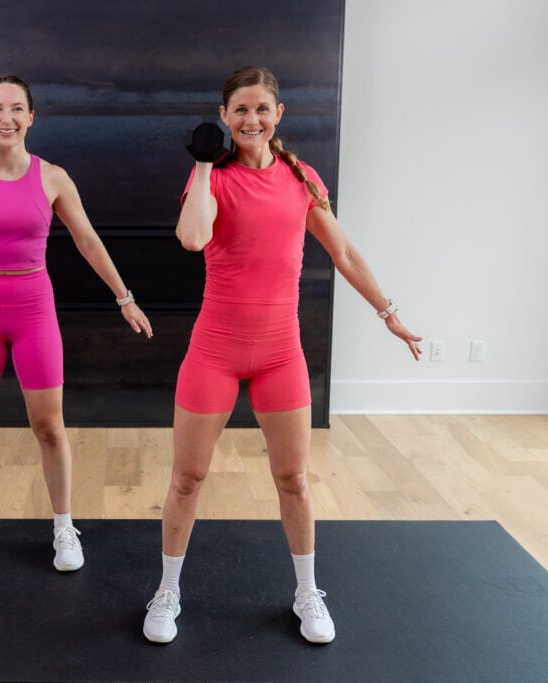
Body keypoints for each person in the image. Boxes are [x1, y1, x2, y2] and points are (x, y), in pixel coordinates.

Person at [142, 66, 422, 644]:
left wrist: (389, 315)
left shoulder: (301, 177)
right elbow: (193, 238)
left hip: (279, 353)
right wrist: (200, 162)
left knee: (293, 478)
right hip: (214, 351)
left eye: (262, 109)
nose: (251, 120)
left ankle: (305, 593)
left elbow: (342, 251)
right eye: (240, 110)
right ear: (223, 117)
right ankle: (167, 590)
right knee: (188, 478)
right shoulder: (210, 179)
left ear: (279, 115)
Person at [0, 74, 153, 573]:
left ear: (31, 117)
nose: (6, 117)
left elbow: (88, 241)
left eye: (16, 108)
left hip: (33, 310)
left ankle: (63, 528)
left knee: (49, 425)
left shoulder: (53, 177)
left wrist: (124, 297)